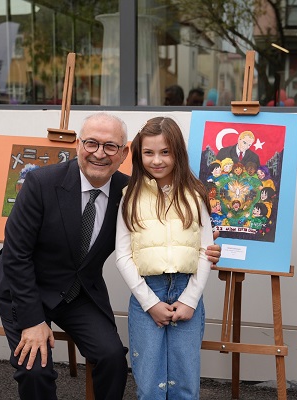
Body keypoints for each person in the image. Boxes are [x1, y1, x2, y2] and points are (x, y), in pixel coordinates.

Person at [0, 112, 222, 400]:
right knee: (35, 370)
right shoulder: (41, 182)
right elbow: (16, 255)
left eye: (110, 146)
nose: (99, 153)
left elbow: (159, 229)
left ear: (124, 153)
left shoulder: (129, 192)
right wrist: (32, 321)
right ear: (78, 145)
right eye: (91, 143)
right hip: (24, 288)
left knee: (112, 358)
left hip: (77, 292)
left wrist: (201, 246)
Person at [115, 116, 213, 399]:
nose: (156, 160)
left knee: (185, 381)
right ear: (139, 154)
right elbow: (123, 255)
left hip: (186, 290)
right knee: (149, 382)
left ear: (177, 153)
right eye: (149, 152)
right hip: (147, 293)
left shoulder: (195, 195)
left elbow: (205, 250)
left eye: (165, 152)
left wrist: (190, 299)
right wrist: (150, 303)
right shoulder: (130, 197)